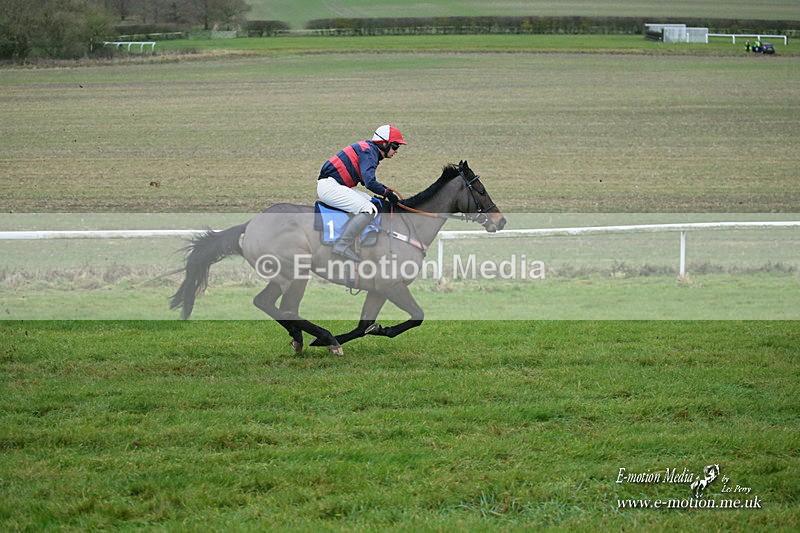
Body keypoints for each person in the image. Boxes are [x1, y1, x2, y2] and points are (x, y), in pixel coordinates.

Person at [317, 125, 406, 261]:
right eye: (395, 146)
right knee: (369, 209)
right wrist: (386, 192)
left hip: (334, 184)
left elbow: (366, 181)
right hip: (330, 186)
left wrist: (385, 191)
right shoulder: (369, 152)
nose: (396, 151)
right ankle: (342, 245)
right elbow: (369, 182)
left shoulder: (369, 150)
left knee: (372, 203)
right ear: (383, 143)